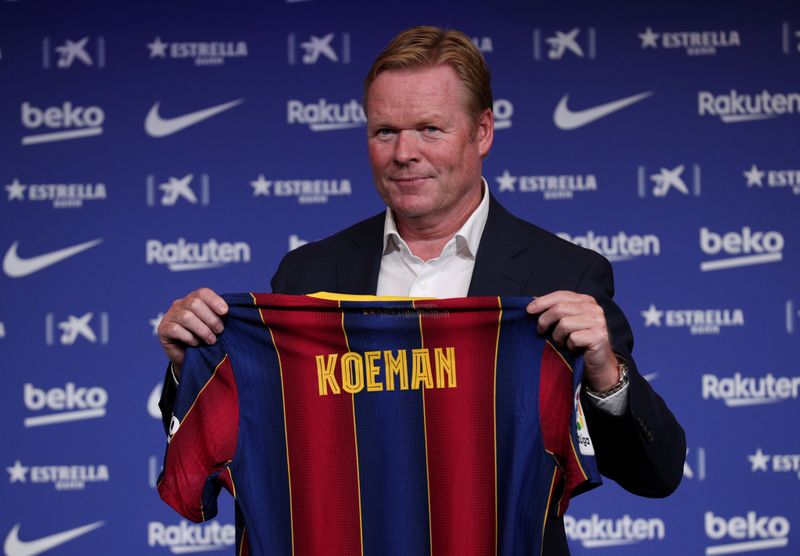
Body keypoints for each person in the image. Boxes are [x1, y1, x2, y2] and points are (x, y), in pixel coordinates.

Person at [157, 25, 685, 555]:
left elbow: (654, 475)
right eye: (384, 131)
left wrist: (604, 373)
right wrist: (190, 366)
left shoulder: (564, 274)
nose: (403, 152)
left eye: (429, 129)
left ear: (482, 132)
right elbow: (232, 445)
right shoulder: (307, 276)